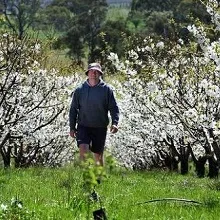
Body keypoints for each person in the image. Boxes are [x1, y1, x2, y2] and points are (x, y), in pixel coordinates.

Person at [69, 63, 119, 166]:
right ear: (88, 73)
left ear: (100, 74)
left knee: (98, 155)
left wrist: (115, 123)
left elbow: (113, 108)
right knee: (83, 151)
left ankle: (99, 178)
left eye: (96, 71)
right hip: (83, 126)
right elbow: (73, 109)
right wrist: (72, 127)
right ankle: (86, 177)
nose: (94, 73)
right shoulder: (79, 90)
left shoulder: (107, 90)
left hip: (99, 126)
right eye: (91, 71)